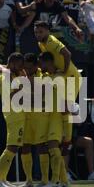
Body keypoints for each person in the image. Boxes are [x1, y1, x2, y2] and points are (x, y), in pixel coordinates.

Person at [34, 21, 82, 156]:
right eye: (36, 32)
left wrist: (64, 70)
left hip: (71, 76)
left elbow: (67, 54)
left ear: (48, 31)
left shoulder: (52, 41)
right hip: (61, 77)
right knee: (62, 108)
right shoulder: (41, 43)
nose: (38, 34)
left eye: (41, 31)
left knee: (65, 107)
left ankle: (68, 139)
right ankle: (66, 139)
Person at [0, 53, 26, 187]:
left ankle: (2, 178)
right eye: (19, 65)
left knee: (13, 147)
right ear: (12, 64)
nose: (21, 67)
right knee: (11, 147)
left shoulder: (11, 75)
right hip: (14, 116)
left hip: (16, 115)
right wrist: (22, 88)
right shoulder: (5, 77)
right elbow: (11, 96)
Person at [37, 51, 69, 187]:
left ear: (48, 62)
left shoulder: (59, 77)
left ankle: (54, 181)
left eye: (41, 63)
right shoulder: (48, 77)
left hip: (58, 117)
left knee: (53, 147)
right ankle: (64, 181)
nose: (40, 66)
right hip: (50, 117)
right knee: (53, 148)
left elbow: (65, 99)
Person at [19, 53, 50, 187]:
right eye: (24, 68)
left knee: (41, 146)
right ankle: (29, 180)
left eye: (29, 68)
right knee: (25, 146)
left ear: (36, 66)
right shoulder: (21, 77)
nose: (26, 70)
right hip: (25, 116)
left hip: (40, 117)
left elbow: (41, 96)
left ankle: (44, 180)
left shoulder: (44, 76)